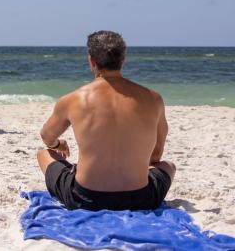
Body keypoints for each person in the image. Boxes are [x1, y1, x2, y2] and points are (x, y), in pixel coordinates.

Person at [36, 31, 175, 211]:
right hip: (141, 198)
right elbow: (156, 156)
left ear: (91, 61)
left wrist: (58, 145)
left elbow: (46, 136)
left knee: (43, 153)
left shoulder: (73, 99)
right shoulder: (153, 99)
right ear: (123, 60)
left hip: (85, 198)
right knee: (168, 166)